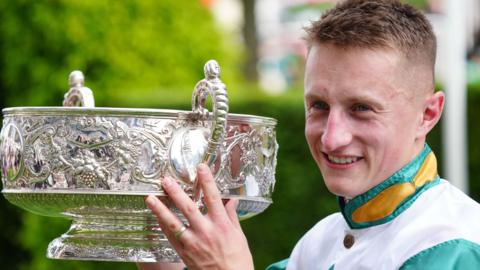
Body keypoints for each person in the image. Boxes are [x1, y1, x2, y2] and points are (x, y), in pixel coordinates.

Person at [139, 0, 480, 269]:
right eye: (318, 105)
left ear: (428, 114)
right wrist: (166, 249)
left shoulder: (452, 247)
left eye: (361, 108)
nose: (331, 139)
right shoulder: (319, 242)